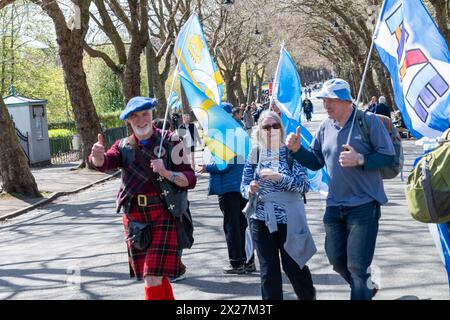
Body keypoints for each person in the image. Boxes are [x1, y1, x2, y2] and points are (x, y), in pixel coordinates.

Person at [285, 79, 396, 300]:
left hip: (364, 205)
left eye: (331, 100)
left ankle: (361, 287)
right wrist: (297, 150)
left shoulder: (368, 122)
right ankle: (365, 287)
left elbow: (387, 156)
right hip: (335, 204)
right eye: (324, 100)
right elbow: (316, 161)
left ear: (346, 101)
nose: (326, 105)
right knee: (337, 261)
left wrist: (360, 159)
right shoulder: (326, 126)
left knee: (357, 266)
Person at [89, 96, 196, 300]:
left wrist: (166, 173)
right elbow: (106, 162)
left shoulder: (172, 140)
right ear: (128, 120)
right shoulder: (123, 146)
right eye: (134, 116)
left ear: (152, 114)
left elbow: (190, 178)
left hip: (164, 214)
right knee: (156, 275)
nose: (141, 120)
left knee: (151, 276)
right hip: (135, 219)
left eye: (145, 114)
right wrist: (98, 156)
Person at [241, 110, 316, 300]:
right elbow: (243, 184)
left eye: (275, 125)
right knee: (268, 271)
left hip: (289, 219)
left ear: (281, 129)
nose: (271, 129)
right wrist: (249, 188)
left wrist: (279, 177)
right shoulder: (255, 153)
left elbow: (304, 185)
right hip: (260, 219)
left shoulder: (292, 153)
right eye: (266, 126)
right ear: (260, 130)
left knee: (294, 267)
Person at [198, 102, 256, 275]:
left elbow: (225, 164)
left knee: (232, 226)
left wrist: (207, 167)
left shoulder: (223, 133)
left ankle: (236, 262)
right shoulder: (239, 130)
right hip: (243, 184)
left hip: (229, 186)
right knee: (243, 224)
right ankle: (249, 261)